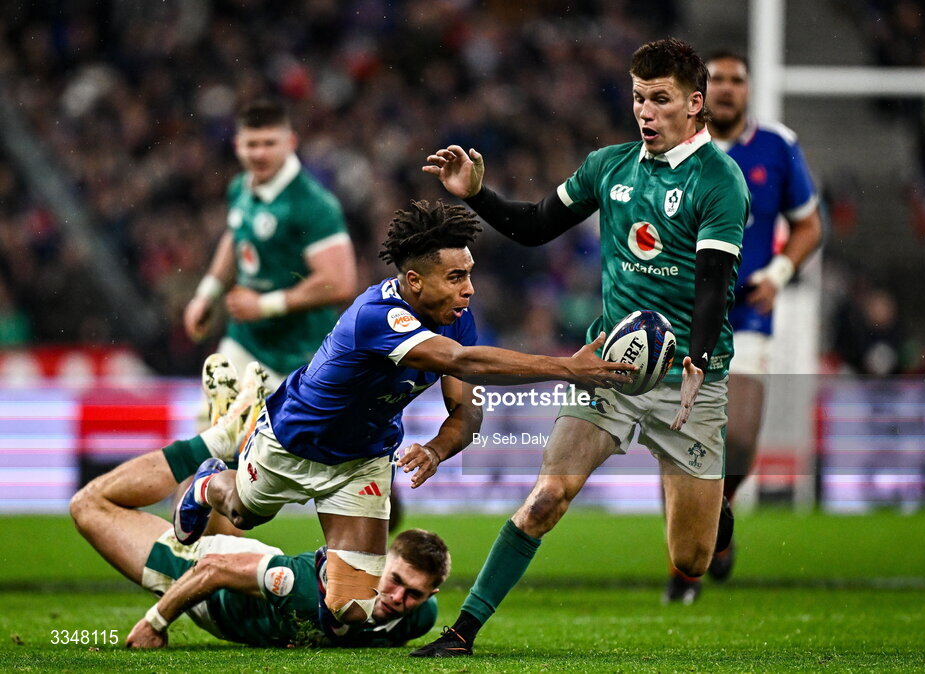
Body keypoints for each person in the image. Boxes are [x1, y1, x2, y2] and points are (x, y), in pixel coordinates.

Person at [412, 37, 749, 656]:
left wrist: (698, 360)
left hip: (690, 380)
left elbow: (713, 286)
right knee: (546, 498)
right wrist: (477, 195)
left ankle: (719, 514)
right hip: (609, 371)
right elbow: (536, 225)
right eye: (638, 98)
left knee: (692, 558)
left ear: (696, 104)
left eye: (661, 99)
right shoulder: (609, 167)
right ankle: (463, 632)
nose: (645, 112)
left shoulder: (720, 181)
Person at [174, 199, 634, 636]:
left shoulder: (457, 318)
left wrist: (437, 448)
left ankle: (326, 571)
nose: (469, 289)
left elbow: (467, 410)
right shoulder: (376, 315)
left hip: (363, 459)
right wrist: (566, 368)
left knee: (351, 611)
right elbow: (462, 362)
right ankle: (207, 482)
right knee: (241, 511)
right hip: (292, 441)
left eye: (469, 275)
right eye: (456, 277)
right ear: (414, 281)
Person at [67, 375, 450, 648]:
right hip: (204, 585)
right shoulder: (306, 587)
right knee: (88, 505)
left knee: (200, 516)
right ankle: (215, 441)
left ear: (430, 593)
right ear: (380, 562)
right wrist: (155, 623)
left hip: (247, 563)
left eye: (413, 593)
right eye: (395, 579)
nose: (398, 597)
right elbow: (213, 570)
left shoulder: (421, 616)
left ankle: (224, 449)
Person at [661, 50, 824, 603]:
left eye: (738, 80)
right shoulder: (669, 145)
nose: (729, 88)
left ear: (748, 90)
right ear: (700, 93)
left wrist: (779, 272)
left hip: (746, 310)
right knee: (676, 439)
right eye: (718, 80)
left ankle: (716, 518)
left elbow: (808, 224)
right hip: (679, 313)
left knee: (744, 442)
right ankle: (686, 569)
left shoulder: (777, 145)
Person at [183, 98, 357, 390]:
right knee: (214, 431)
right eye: (252, 144)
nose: (259, 153)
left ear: (290, 142)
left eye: (269, 143)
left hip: (299, 352)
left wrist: (265, 305)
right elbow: (236, 236)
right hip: (245, 341)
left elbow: (340, 283)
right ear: (238, 145)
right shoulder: (240, 187)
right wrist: (206, 294)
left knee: (278, 437)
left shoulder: (313, 204)